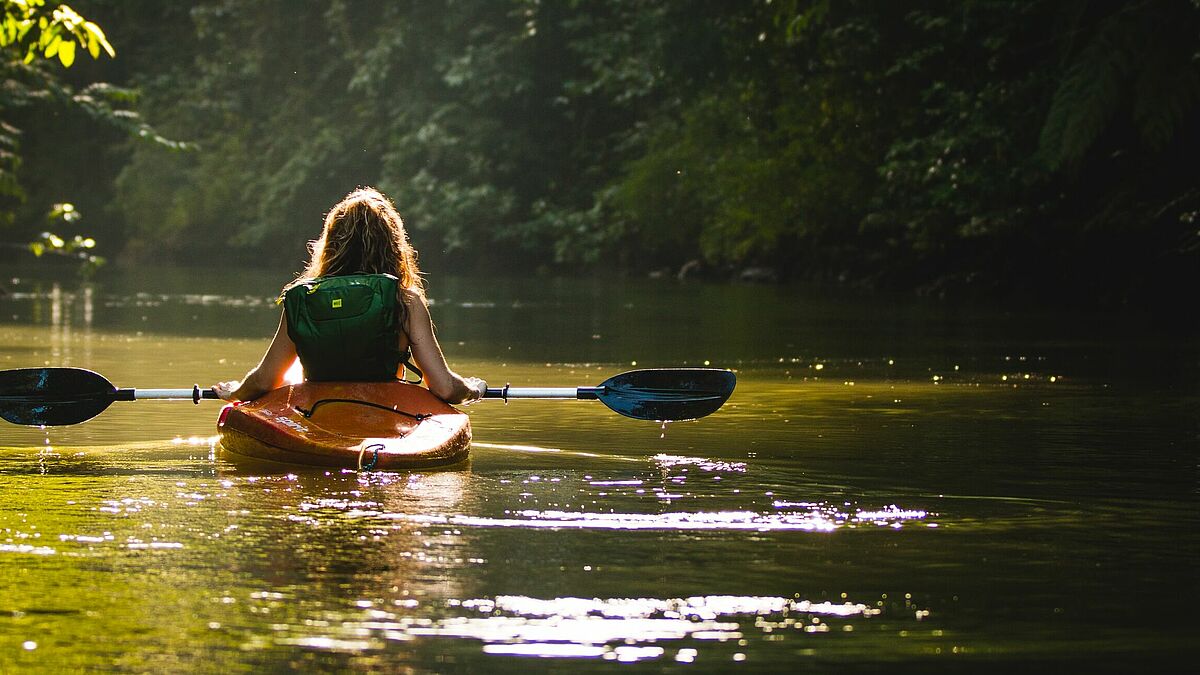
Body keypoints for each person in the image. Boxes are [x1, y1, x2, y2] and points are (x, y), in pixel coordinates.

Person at [213, 187, 486, 404]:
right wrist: (473, 389)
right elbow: (445, 388)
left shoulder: (304, 299)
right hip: (386, 412)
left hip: (317, 412)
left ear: (330, 243)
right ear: (393, 246)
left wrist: (237, 392)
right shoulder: (405, 301)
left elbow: (264, 381)